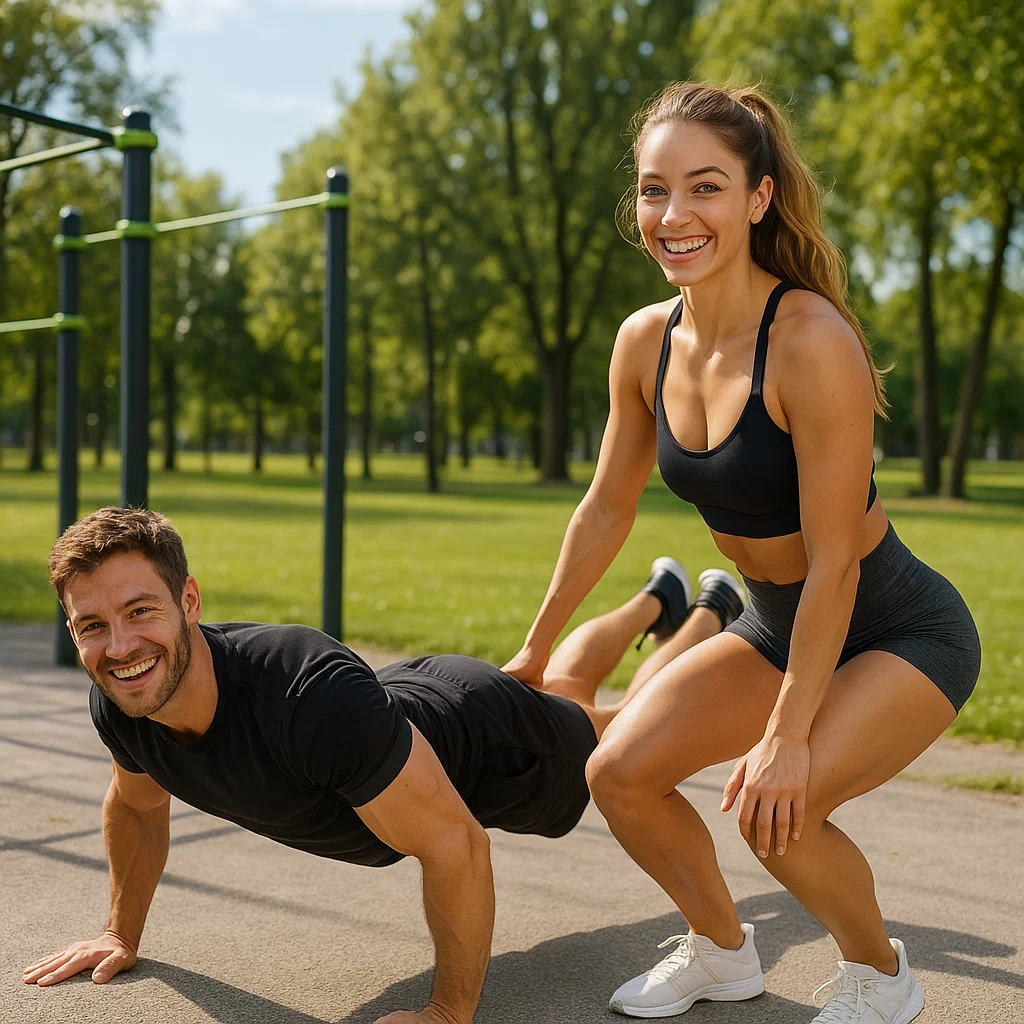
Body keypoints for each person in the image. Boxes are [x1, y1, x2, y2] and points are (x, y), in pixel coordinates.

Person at [502, 82, 981, 1023]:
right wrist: (535, 643)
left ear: (759, 198)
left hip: (897, 626)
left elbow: (838, 563)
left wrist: (789, 735)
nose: (674, 216)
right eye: (653, 190)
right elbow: (605, 507)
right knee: (620, 774)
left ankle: (883, 979)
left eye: (705, 188)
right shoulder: (646, 340)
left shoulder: (810, 341)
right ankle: (724, 955)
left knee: (777, 812)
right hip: (772, 620)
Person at [22, 505, 745, 1024]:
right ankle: (663, 598)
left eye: (140, 611)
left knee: (616, 734)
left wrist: (448, 1013)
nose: (119, 645)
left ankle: (712, 616)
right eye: (93, 625)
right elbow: (138, 806)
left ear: (189, 600)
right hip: (404, 707)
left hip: (480, 737)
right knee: (566, 694)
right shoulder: (125, 701)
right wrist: (121, 932)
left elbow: (457, 846)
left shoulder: (304, 699)